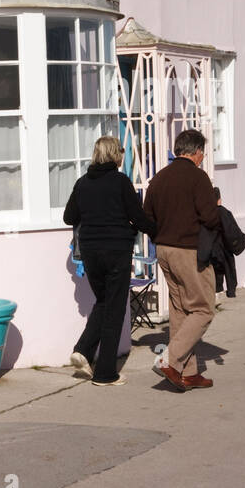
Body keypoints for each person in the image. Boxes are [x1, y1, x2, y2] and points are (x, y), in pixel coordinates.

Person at [63, 136, 156, 386]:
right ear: (115, 155)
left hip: (91, 252)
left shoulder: (82, 183)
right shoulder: (120, 182)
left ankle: (82, 349)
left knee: (104, 302)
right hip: (116, 250)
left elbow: (69, 216)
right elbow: (138, 217)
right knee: (115, 309)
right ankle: (105, 373)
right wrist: (158, 231)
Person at [144, 128, 222, 392]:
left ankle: (188, 373)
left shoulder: (159, 179)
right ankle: (170, 359)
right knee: (203, 309)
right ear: (197, 152)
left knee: (180, 309)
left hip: (164, 249)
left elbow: (147, 218)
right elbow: (211, 218)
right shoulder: (197, 178)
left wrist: (161, 234)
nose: (203, 158)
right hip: (188, 249)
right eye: (203, 153)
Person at [199, 186, 245, 299]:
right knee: (229, 269)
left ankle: (216, 290)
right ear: (219, 199)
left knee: (213, 271)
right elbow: (231, 231)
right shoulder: (224, 212)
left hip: (210, 248)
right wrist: (239, 243)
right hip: (224, 247)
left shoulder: (205, 213)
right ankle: (230, 291)